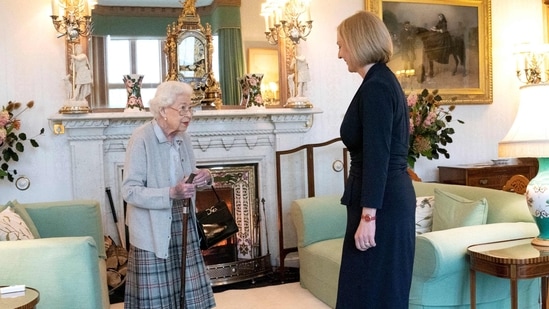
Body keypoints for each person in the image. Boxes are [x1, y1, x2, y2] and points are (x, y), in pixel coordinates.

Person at [335, 11, 416, 308]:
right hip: (382, 200)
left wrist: (369, 217)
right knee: (369, 291)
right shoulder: (379, 82)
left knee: (373, 293)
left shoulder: (377, 86)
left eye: (341, 44)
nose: (340, 53)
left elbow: (377, 156)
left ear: (357, 43)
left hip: (382, 205)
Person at [122, 81, 215, 309]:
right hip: (152, 228)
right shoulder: (141, 138)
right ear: (163, 111)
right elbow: (130, 191)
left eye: (190, 108)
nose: (189, 115)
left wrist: (205, 176)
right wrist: (171, 192)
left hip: (183, 222)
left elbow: (188, 177)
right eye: (182, 108)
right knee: (158, 300)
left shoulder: (183, 138)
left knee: (189, 293)